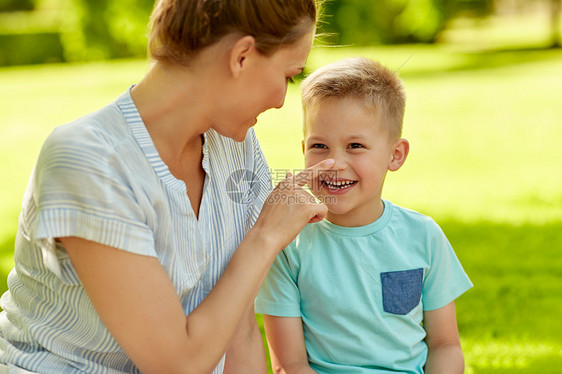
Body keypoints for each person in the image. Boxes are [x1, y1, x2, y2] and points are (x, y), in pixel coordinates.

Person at [0, 1, 335, 373]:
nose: (280, 101)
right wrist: (265, 236)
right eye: (289, 76)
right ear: (242, 56)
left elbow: (237, 332)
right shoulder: (87, 159)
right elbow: (177, 365)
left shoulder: (233, 143)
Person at [255, 57, 473, 374]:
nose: (334, 163)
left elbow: (445, 346)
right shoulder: (289, 246)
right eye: (319, 146)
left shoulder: (423, 236)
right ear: (303, 149)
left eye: (355, 145)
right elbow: (289, 365)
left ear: (394, 155)